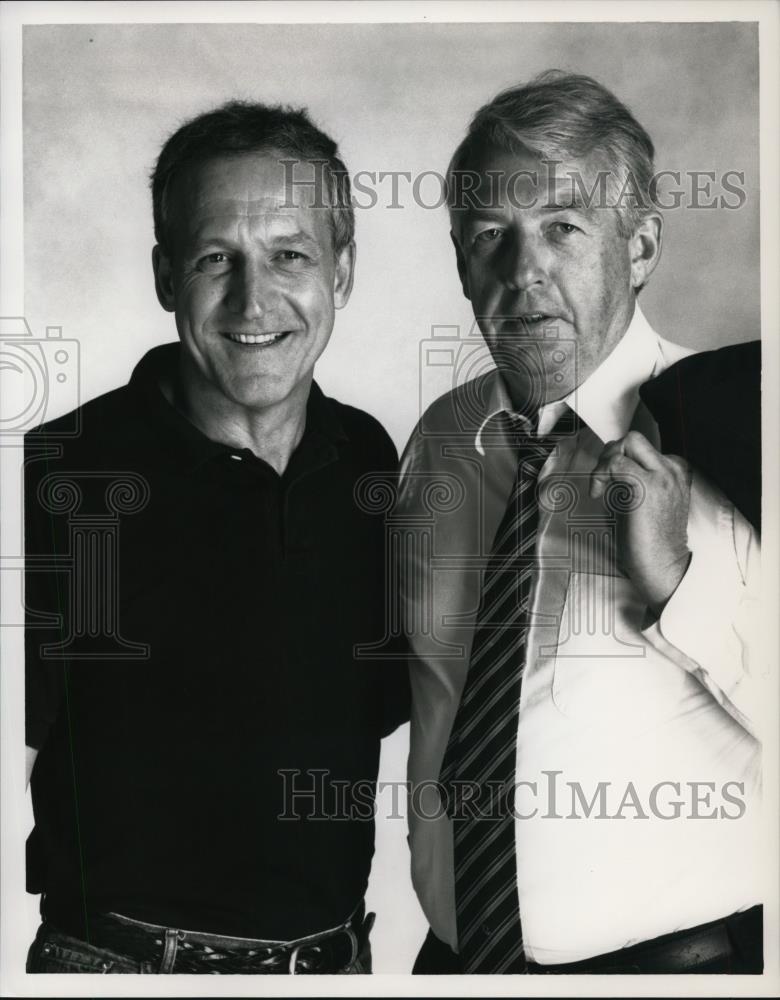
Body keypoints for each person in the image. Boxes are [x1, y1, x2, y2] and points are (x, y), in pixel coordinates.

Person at [24, 101, 408, 974]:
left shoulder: (371, 465)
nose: (253, 301)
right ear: (166, 277)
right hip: (121, 968)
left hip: (335, 967)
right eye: (214, 260)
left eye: (291, 256)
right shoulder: (60, 478)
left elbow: (376, 712)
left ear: (342, 272)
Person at [397, 71, 763, 974]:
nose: (524, 271)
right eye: (491, 236)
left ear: (639, 247)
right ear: (459, 260)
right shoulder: (442, 441)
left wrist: (682, 579)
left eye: (564, 227)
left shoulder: (747, 422)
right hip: (457, 965)